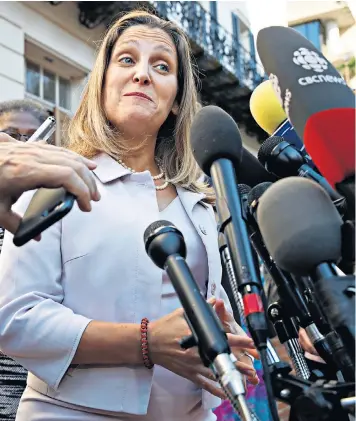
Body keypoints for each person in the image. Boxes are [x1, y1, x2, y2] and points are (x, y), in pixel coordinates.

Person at [0, 10, 259, 421]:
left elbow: (205, 305)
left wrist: (230, 339)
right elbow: (14, 318)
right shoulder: (52, 178)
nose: (142, 74)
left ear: (176, 101)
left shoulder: (202, 202)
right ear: (101, 83)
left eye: (161, 66)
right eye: (126, 60)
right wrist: (147, 342)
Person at [0, 99, 100, 420]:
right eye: (11, 136)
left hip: (44, 391)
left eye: (34, 138)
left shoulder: (63, 214)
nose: (24, 148)